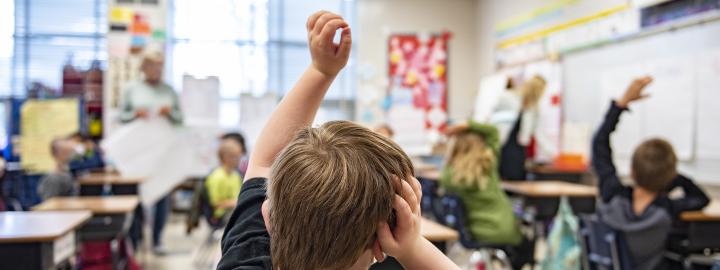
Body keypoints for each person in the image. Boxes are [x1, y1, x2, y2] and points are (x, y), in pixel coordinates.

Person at [218, 11, 460, 270]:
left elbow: (264, 162)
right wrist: (413, 249)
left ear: (268, 216)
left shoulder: (248, 260)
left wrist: (320, 71)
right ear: (380, 247)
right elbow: (266, 163)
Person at [592, 76, 710, 270]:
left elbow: (599, 145)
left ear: (631, 170)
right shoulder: (668, 209)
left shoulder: (612, 195)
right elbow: (701, 198)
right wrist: (674, 179)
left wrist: (620, 105)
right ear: (671, 177)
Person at [443, 121, 533, 269]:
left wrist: (451, 154)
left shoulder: (450, 177)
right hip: (504, 230)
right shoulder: (488, 165)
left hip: (476, 232)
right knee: (527, 240)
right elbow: (493, 132)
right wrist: (467, 125)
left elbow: (443, 175)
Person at [119, 51, 183, 254]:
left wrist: (169, 113)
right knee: (136, 195)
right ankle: (135, 239)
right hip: (138, 152)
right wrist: (135, 114)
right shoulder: (131, 89)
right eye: (153, 65)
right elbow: (122, 117)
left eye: (160, 66)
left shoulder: (169, 91)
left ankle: (157, 239)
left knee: (161, 193)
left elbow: (180, 120)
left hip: (162, 151)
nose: (157, 70)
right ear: (144, 67)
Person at [498, 75, 547, 180]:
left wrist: (553, 154)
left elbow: (538, 133)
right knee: (504, 178)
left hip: (518, 150)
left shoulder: (533, 109)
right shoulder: (509, 98)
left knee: (516, 178)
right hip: (504, 146)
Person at [205, 140, 243, 221]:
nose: (239, 159)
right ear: (225, 157)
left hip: (234, 211)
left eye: (239, 156)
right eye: (235, 156)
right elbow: (214, 204)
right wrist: (234, 203)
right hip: (220, 216)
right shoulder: (217, 177)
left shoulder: (236, 175)